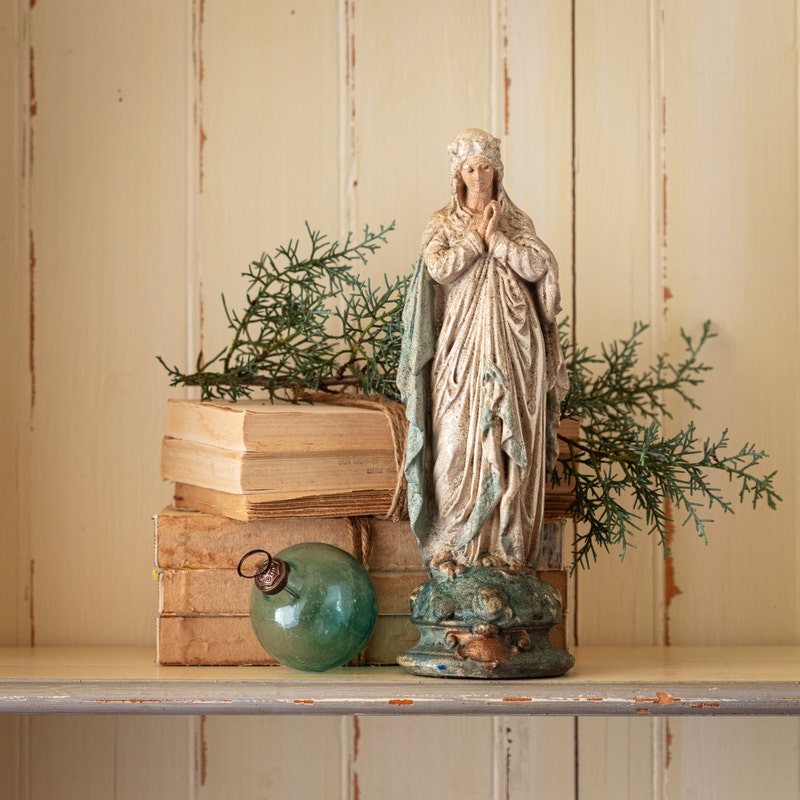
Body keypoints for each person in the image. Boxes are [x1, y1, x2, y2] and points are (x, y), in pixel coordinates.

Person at [398, 128, 568, 577]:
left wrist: (500, 243)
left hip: (514, 343)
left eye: (485, 166)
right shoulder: (442, 222)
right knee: (454, 443)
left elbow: (539, 267)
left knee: (510, 445)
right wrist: (476, 239)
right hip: (461, 346)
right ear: (458, 174)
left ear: (497, 171)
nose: (478, 176)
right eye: (470, 168)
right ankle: (451, 545)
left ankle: (506, 551)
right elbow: (438, 268)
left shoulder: (516, 221)